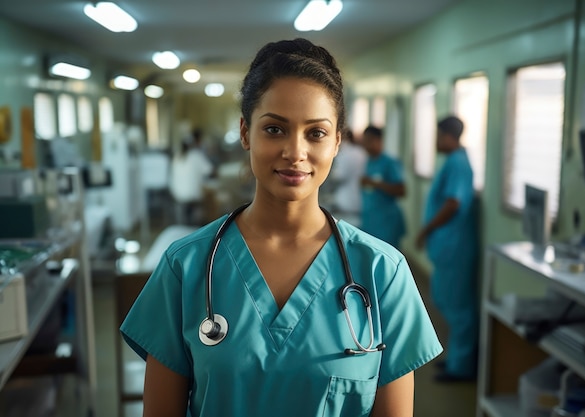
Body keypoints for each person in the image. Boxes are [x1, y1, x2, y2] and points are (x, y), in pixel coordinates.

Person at [120, 38, 442, 417]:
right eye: (275, 129)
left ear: (337, 140)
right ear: (245, 133)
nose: (295, 152)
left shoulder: (382, 273)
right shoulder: (185, 267)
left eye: (316, 133)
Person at [416, 115, 479, 383]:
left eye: (438, 136)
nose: (436, 142)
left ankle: (462, 366)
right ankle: (456, 358)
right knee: (445, 300)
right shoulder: (453, 161)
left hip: (456, 248)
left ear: (448, 136)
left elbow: (453, 203)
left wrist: (427, 229)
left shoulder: (459, 164)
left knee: (459, 308)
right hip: (448, 247)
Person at [360, 125, 407, 249]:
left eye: (369, 141)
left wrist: (375, 183)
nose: (365, 145)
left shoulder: (390, 162)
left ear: (379, 140)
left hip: (386, 222)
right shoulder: (370, 161)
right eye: (364, 141)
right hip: (371, 220)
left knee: (387, 257)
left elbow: (401, 190)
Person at [168, 128, 213, 225]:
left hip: (177, 195)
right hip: (194, 196)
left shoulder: (177, 157)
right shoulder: (196, 155)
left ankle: (185, 225)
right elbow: (210, 171)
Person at [329, 129, 368, 227]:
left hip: (347, 205)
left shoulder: (344, 153)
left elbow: (338, 176)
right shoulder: (361, 152)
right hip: (360, 204)